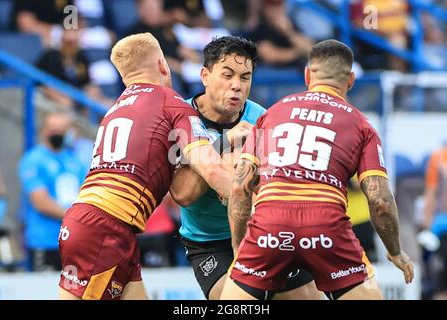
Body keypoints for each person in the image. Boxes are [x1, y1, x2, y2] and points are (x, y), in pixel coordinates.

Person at [221, 39, 414, 300]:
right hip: (327, 230)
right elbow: (379, 199)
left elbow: (240, 186)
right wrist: (395, 250)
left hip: (270, 226)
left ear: (307, 75)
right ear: (351, 80)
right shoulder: (361, 125)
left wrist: (239, 247)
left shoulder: (273, 113)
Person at [58, 32, 232, 300]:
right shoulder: (171, 103)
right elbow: (212, 170)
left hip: (91, 222)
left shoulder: (114, 109)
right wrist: (267, 210)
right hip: (108, 228)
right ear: (163, 65)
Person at [169, 36, 321, 300]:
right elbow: (182, 194)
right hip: (210, 242)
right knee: (238, 302)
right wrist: (225, 142)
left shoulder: (263, 119)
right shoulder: (180, 117)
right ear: (205, 76)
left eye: (245, 77)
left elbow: (278, 187)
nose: (236, 86)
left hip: (262, 233)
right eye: (227, 75)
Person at [19, 112, 86, 271]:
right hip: (45, 241)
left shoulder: (74, 160)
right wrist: (77, 217)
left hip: (74, 241)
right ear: (43, 131)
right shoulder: (34, 159)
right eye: (53, 129)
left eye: (62, 129)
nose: (58, 133)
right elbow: (41, 202)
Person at [423, 142, 447, 299]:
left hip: (441, 225)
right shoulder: (438, 158)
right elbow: (430, 195)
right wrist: (427, 224)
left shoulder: (438, 158)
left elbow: (431, 195)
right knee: (441, 280)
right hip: (442, 226)